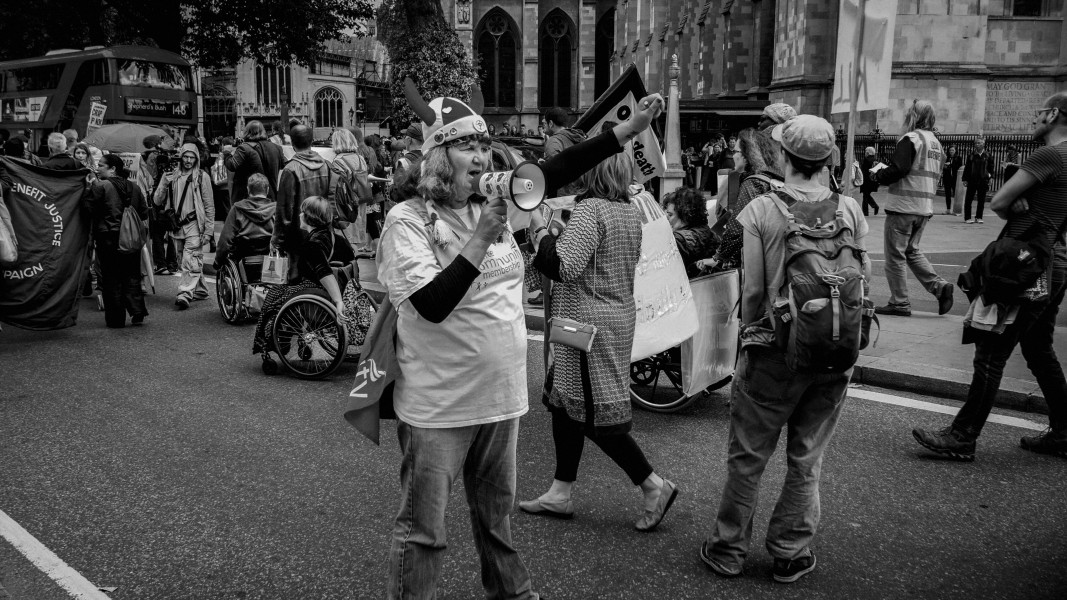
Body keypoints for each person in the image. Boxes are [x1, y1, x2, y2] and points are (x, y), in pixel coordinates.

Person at [376, 81, 665, 598]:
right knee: (424, 534)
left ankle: (513, 594)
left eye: (484, 146)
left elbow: (555, 169)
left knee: (496, 520)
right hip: (440, 407)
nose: (481, 157)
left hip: (500, 401)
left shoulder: (494, 201)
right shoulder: (409, 221)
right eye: (466, 146)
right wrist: (482, 236)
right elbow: (432, 305)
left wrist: (627, 131)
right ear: (437, 158)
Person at [700, 114, 870, 584]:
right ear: (828, 159)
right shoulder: (850, 209)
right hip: (834, 351)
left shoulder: (762, 209)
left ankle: (728, 550)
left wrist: (746, 341)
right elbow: (863, 280)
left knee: (748, 457)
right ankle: (791, 552)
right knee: (807, 457)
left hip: (774, 350)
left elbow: (754, 291)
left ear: (782, 155)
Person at [521, 149, 678, 532]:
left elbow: (563, 266)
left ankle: (653, 485)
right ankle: (560, 491)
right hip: (608, 320)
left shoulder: (590, 209)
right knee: (564, 403)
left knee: (592, 413)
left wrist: (539, 230)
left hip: (585, 326)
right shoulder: (628, 211)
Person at [912, 91, 1067, 461]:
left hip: (1025, 266)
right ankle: (1063, 432)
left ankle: (962, 436)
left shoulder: (1049, 155)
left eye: (1039, 113)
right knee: (1038, 349)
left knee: (991, 351)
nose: (1034, 120)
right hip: (1057, 262)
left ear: (1054, 114)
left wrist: (1016, 204)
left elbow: (998, 201)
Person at [869, 99, 954, 317]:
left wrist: (878, 175)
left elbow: (900, 169)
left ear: (913, 116)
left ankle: (899, 302)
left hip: (903, 207)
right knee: (911, 251)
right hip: (923, 208)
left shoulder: (911, 139)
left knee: (895, 257)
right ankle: (939, 287)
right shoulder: (936, 144)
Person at [253, 196, 347, 360]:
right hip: (328, 287)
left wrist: (338, 301)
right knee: (282, 291)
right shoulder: (334, 237)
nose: (299, 215)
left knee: (274, 295)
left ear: (309, 217)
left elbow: (324, 272)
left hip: (315, 289)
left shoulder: (313, 244)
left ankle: (273, 341)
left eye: (302, 212)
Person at [702, 127, 784, 274]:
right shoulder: (774, 178)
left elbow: (736, 228)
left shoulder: (753, 182)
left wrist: (718, 257)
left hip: (756, 262)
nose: (734, 156)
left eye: (737, 151)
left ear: (747, 156)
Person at [88, 154, 149, 328]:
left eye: (101, 165)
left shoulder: (101, 186)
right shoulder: (134, 187)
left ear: (113, 169)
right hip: (131, 237)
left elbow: (88, 208)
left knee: (111, 278)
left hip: (109, 237)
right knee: (132, 274)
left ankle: (116, 319)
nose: (98, 168)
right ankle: (137, 310)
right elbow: (144, 212)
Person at [153, 143, 214, 309]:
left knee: (191, 258)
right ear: (180, 157)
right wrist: (164, 182)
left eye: (191, 157)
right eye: (185, 157)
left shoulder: (202, 176)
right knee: (184, 260)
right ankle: (200, 290)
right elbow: (157, 201)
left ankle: (185, 293)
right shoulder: (171, 175)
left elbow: (209, 205)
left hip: (195, 224)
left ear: (196, 159)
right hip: (176, 225)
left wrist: (208, 231)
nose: (188, 160)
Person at [273, 124, 331, 282]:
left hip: (298, 237)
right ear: (312, 141)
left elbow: (284, 210)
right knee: (319, 276)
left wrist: (277, 241)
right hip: (322, 232)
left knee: (296, 280)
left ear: (292, 143)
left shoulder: (290, 169)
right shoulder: (325, 165)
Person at [213, 173, 274, 270]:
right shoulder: (275, 210)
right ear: (267, 190)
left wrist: (218, 262)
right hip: (270, 260)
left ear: (248, 189)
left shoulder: (237, 209)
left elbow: (225, 240)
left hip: (242, 260)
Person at [662, 187, 717, 278]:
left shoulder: (681, 239)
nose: (667, 218)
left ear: (685, 215)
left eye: (670, 215)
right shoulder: (707, 231)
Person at [224, 120, 283, 204]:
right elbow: (283, 166)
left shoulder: (244, 148)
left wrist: (227, 153)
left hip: (249, 199)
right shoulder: (277, 148)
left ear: (247, 132)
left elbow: (232, 165)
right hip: (271, 196)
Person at [543, 107, 587, 196]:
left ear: (551, 123)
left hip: (561, 196)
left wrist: (544, 167)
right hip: (580, 192)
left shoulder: (553, 141)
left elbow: (554, 170)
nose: (543, 123)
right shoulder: (579, 137)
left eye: (545, 122)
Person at [962, 139, 996, 224]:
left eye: (979, 143)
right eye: (976, 143)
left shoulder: (988, 155)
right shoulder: (971, 155)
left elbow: (991, 167)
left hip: (983, 180)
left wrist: (991, 178)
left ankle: (979, 217)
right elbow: (967, 168)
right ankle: (967, 217)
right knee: (969, 199)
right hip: (972, 179)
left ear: (983, 144)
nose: (977, 144)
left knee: (981, 199)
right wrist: (965, 179)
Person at [941, 145, 963, 215]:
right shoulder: (946, 158)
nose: (951, 151)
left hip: (955, 179)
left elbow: (959, 167)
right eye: (950, 150)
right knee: (947, 194)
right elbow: (942, 166)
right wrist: (944, 166)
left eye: (953, 150)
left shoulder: (958, 158)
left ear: (955, 151)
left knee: (955, 194)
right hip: (947, 178)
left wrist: (951, 164)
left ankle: (956, 210)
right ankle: (948, 209)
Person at [861, 146, 881, 216]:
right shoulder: (875, 159)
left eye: (865, 152)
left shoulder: (866, 160)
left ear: (867, 153)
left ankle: (866, 212)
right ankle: (874, 206)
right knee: (866, 195)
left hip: (867, 181)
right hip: (873, 181)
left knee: (865, 196)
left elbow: (864, 171)